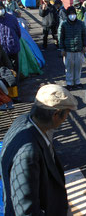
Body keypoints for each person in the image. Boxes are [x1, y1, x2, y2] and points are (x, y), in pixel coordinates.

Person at [0, 84, 77, 216]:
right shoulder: (28, 154)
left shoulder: (24, 120)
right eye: (67, 115)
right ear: (56, 114)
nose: (65, 120)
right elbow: (26, 211)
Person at [58, 6, 86, 91]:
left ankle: (77, 82)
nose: (72, 15)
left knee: (78, 67)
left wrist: (84, 46)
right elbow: (61, 37)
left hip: (79, 49)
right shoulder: (63, 24)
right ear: (67, 15)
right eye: (70, 14)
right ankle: (69, 83)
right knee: (69, 67)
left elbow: (84, 35)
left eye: (73, 14)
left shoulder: (80, 24)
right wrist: (62, 49)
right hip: (68, 50)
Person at [0, 1, 21, 73]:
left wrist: (14, 41)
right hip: (2, 51)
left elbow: (18, 32)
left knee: (15, 68)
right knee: (5, 71)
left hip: (13, 47)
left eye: (1, 8)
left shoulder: (12, 18)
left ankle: (16, 82)